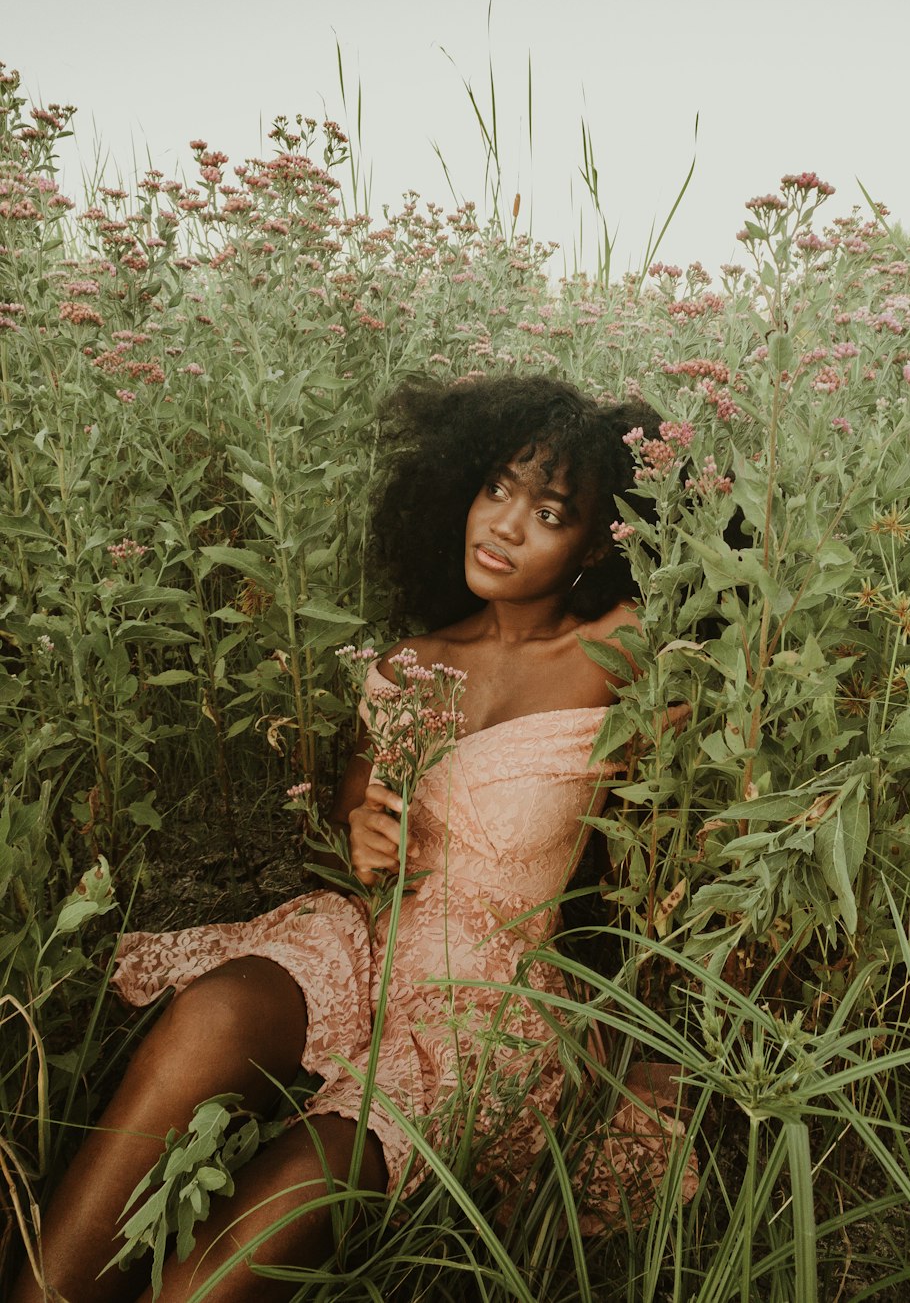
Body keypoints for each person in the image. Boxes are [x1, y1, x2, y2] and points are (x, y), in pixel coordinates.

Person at [13, 375, 696, 1303]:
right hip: (363, 938)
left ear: (595, 543)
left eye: (549, 510)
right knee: (212, 1012)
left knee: (250, 1234)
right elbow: (345, 823)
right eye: (497, 487)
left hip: (479, 1003)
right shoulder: (411, 663)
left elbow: (731, 659)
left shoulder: (621, 647)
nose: (503, 524)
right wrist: (361, 836)